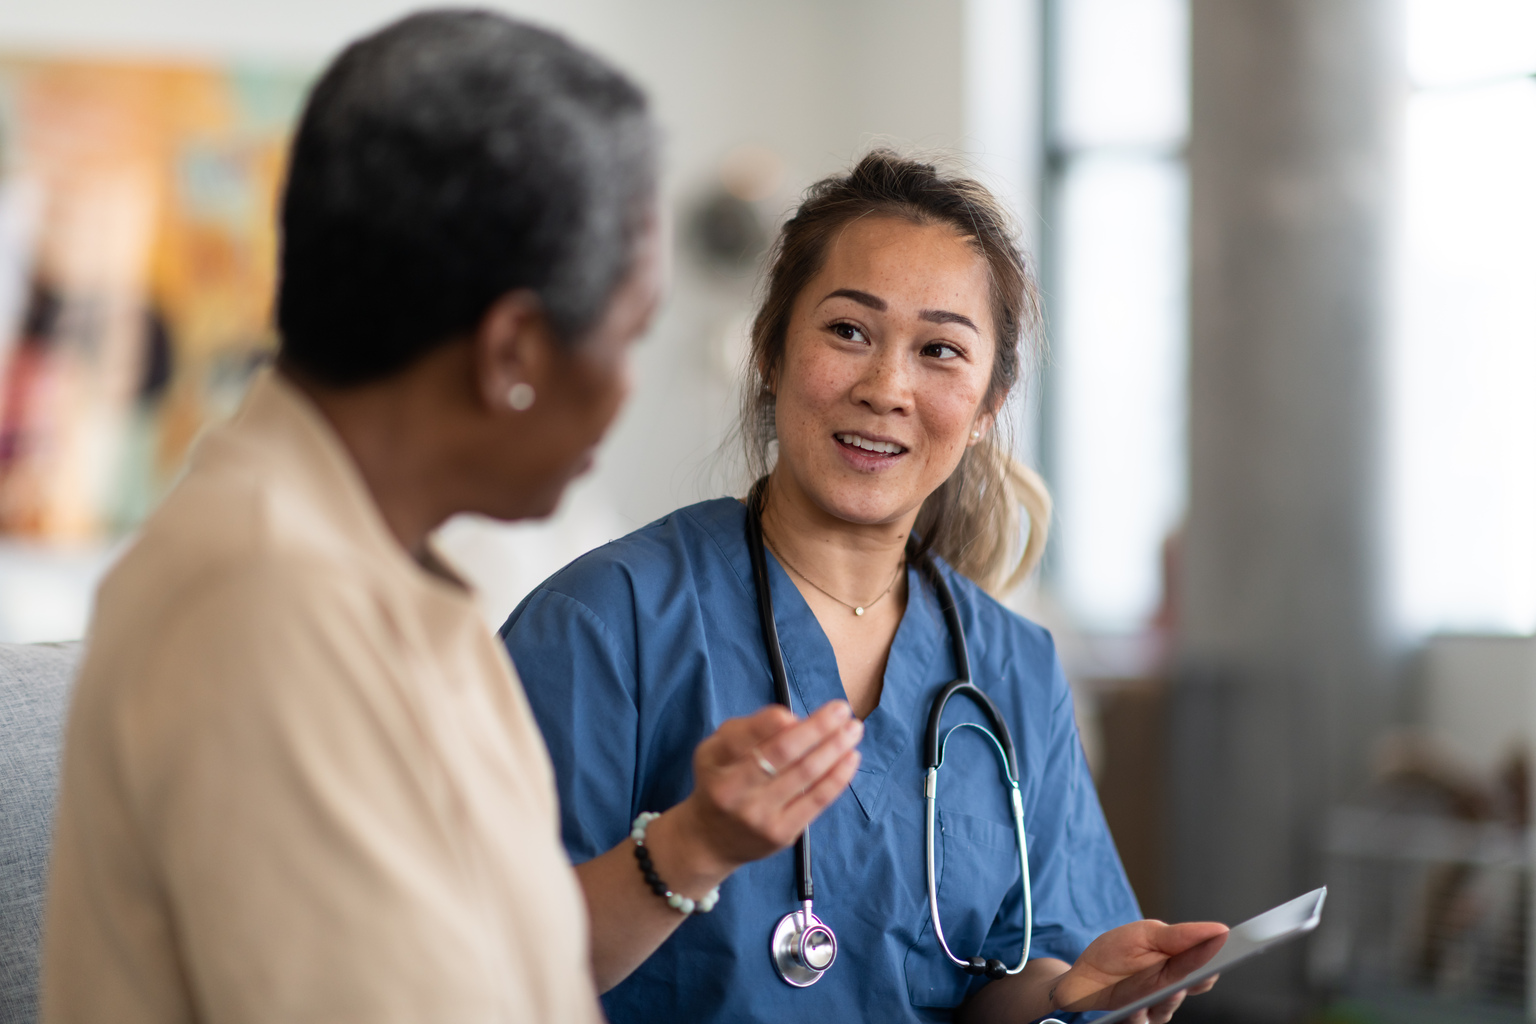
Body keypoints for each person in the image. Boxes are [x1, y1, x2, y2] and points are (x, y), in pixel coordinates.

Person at [40, 13, 864, 1023]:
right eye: (627, 333)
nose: (623, 392)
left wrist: (692, 845)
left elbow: (510, 956)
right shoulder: (266, 606)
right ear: (513, 352)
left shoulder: (376, 569)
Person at [501, 151, 1227, 1023]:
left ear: (988, 404)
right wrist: (691, 851)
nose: (887, 388)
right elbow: (493, 961)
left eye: (941, 351)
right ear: (770, 350)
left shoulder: (1012, 668)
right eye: (848, 332)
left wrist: (1067, 993)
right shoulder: (602, 624)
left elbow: (993, 983)